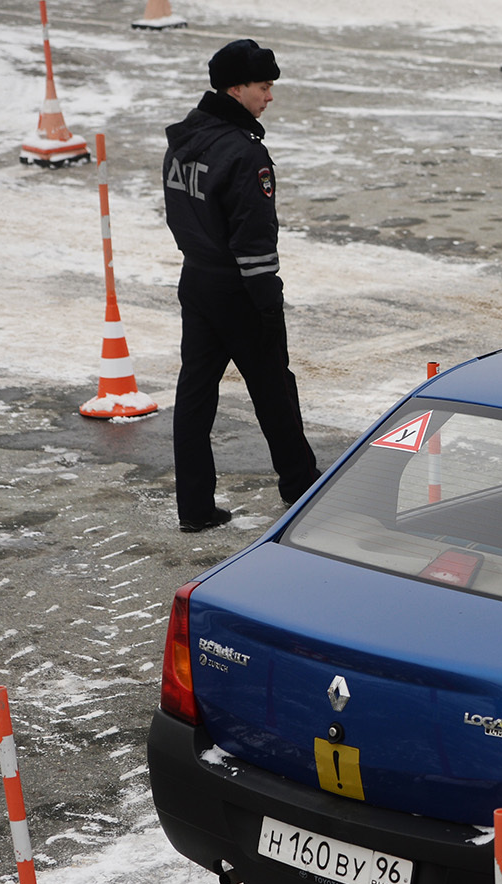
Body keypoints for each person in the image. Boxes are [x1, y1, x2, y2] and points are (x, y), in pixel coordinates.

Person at [163, 39, 319, 533]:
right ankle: (300, 487)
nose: (269, 97)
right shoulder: (243, 153)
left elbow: (180, 214)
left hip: (197, 279)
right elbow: (254, 235)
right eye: (263, 86)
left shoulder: (185, 140)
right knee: (274, 389)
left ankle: (194, 506)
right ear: (236, 88)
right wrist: (267, 302)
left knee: (194, 395)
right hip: (238, 288)